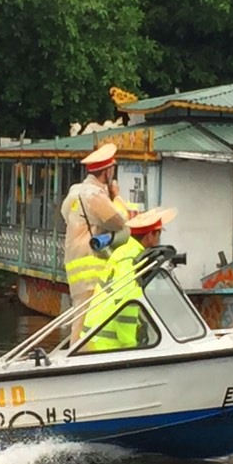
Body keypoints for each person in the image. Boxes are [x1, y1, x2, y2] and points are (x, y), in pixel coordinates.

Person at [80, 207, 177, 351]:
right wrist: (130, 346)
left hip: (99, 336)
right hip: (109, 342)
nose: (158, 240)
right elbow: (125, 305)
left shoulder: (125, 252)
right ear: (150, 235)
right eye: (158, 234)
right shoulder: (133, 260)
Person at [61, 143, 130, 340]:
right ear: (108, 172)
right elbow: (120, 221)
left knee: (80, 312)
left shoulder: (75, 191)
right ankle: (78, 360)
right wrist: (116, 196)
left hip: (74, 264)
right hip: (91, 265)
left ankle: (78, 356)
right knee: (87, 319)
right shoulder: (96, 195)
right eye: (113, 171)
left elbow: (65, 215)